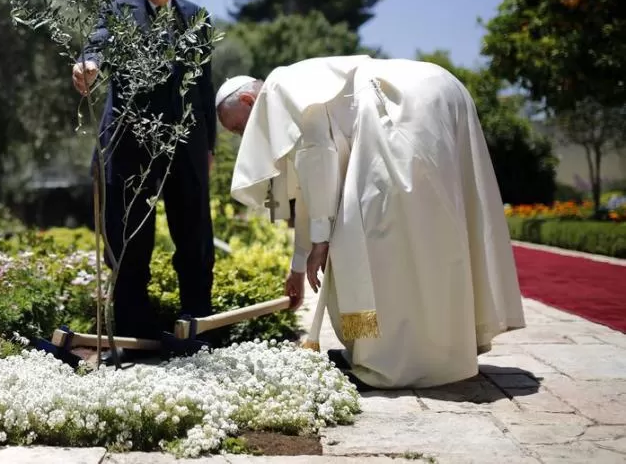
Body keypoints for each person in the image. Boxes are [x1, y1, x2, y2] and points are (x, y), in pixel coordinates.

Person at [215, 55, 526, 390]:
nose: (242, 138)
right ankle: (448, 346)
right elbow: (310, 188)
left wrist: (321, 242)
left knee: (377, 244)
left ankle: (395, 361)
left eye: (238, 128)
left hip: (400, 109)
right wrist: (297, 265)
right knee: (432, 236)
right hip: (439, 90)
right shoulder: (297, 81)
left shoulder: (278, 90)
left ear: (249, 101)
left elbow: (318, 161)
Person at [71, 0, 217, 356]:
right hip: (129, 144)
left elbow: (204, 91)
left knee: (194, 238)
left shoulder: (197, 20)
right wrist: (89, 66)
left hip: (185, 146)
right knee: (130, 240)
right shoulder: (118, 11)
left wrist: (208, 148)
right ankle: (135, 335)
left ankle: (196, 328)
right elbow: (95, 46)